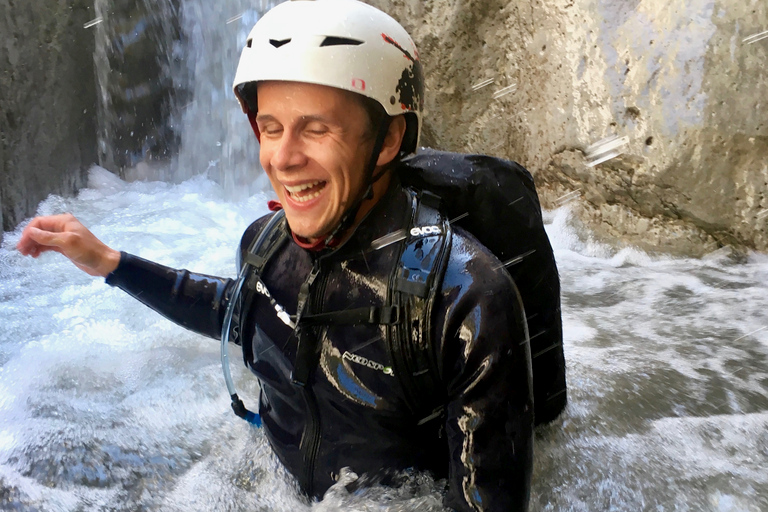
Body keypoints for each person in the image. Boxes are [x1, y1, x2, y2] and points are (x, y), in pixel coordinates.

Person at [17, 1, 535, 510]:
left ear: (388, 139)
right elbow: (244, 311)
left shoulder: (464, 300)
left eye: (316, 129)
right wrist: (110, 262)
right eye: (270, 128)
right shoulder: (265, 245)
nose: (283, 159)